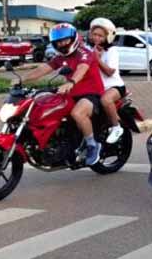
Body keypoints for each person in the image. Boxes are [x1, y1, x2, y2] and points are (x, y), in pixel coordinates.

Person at [21, 24, 106, 165]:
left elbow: (82, 69)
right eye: (58, 41)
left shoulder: (84, 53)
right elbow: (44, 68)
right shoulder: (60, 57)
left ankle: (92, 145)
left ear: (73, 39)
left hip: (91, 93)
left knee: (78, 113)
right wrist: (22, 79)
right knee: (48, 108)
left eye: (65, 40)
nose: (61, 44)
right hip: (71, 93)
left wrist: (71, 82)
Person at [88, 18, 125, 145]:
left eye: (100, 35)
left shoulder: (112, 51)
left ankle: (116, 127)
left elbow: (110, 72)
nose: (97, 38)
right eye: (95, 34)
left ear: (107, 37)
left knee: (105, 100)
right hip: (97, 88)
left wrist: (97, 59)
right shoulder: (89, 50)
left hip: (115, 87)